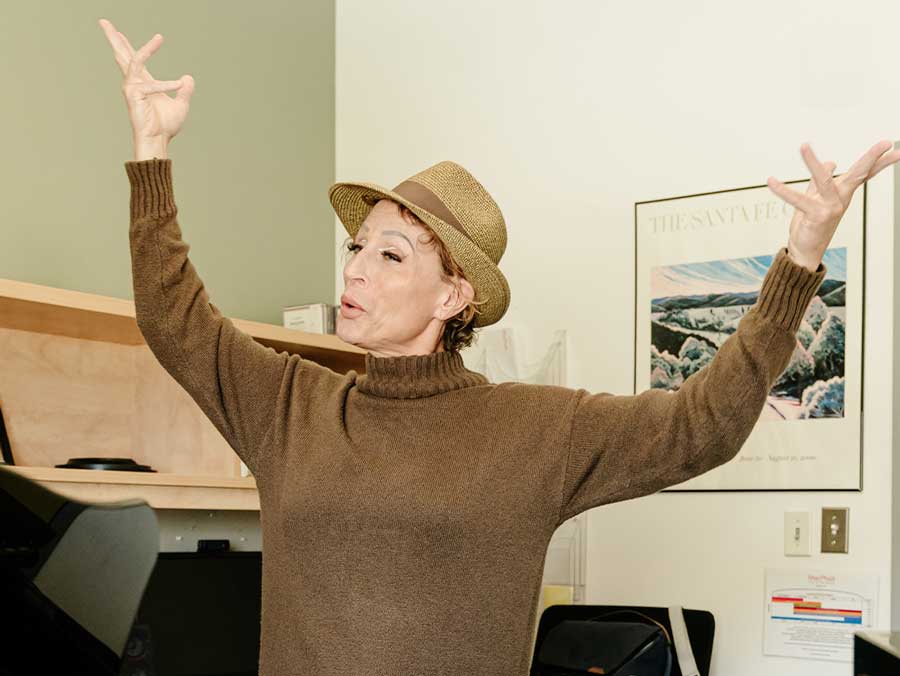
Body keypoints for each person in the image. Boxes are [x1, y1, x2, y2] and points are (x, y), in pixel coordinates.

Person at [99, 18, 900, 676]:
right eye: (357, 247)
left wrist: (799, 261)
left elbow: (704, 424)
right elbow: (173, 316)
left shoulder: (537, 430)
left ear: (454, 297)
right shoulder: (289, 406)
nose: (357, 269)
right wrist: (151, 151)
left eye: (390, 255)